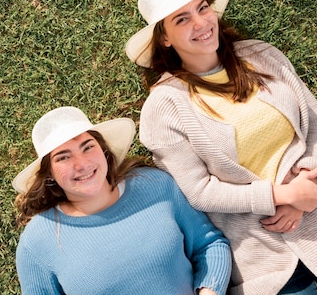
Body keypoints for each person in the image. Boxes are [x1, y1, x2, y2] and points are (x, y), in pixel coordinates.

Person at [126, 0, 317, 295]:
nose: (200, 23)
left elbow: (316, 122)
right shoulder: (165, 105)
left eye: (202, 8)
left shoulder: (261, 55)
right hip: (267, 256)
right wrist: (281, 196)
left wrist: (314, 177)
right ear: (164, 38)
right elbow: (199, 191)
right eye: (182, 19)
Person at [12, 106, 231, 295]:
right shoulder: (37, 243)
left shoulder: (155, 186)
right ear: (49, 173)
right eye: (63, 157)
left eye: (88, 147)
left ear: (104, 151)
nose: (82, 164)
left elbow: (209, 245)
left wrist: (210, 290)